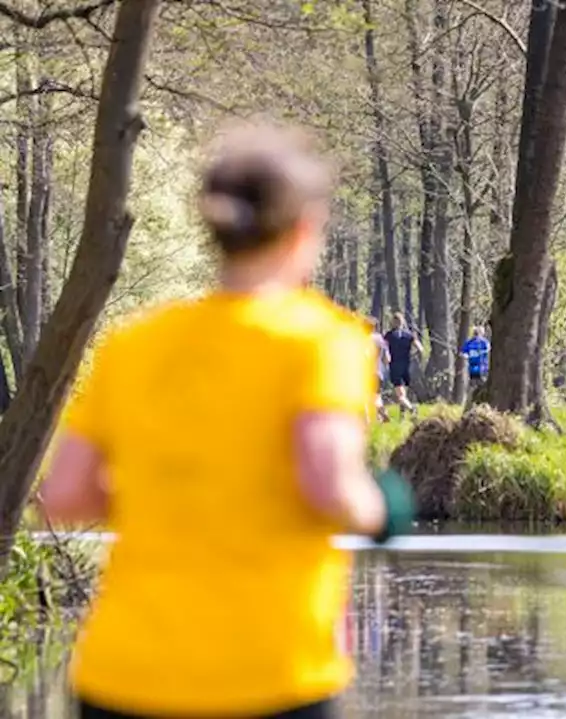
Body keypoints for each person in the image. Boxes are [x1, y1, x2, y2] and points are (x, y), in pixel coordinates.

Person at [38, 123, 415, 719]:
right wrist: (388, 508)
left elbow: (63, 495)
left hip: (125, 676)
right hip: (272, 671)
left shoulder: (132, 343)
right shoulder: (322, 339)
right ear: (305, 230)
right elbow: (328, 484)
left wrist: (173, 492)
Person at [384, 312, 424, 417]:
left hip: (395, 366)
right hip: (407, 365)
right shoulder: (409, 335)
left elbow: (384, 349)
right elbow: (420, 349)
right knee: (403, 392)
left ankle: (411, 409)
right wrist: (413, 354)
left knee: (400, 395)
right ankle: (402, 415)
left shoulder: (389, 335)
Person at [369, 316, 390, 423]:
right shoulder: (380, 339)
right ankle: (380, 416)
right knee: (377, 395)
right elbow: (387, 359)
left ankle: (380, 414)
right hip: (379, 371)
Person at [460, 326, 490, 392]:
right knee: (472, 384)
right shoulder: (469, 343)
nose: (477, 335)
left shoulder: (485, 343)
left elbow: (488, 350)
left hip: (483, 368)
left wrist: (481, 353)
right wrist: (466, 355)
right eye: (476, 333)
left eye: (479, 333)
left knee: (482, 384)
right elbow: (463, 352)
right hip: (472, 367)